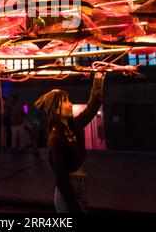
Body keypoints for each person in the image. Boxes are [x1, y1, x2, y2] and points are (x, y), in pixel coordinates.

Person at [34, 72, 106, 213]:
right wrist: (74, 205)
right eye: (66, 101)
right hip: (68, 193)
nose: (71, 104)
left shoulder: (74, 125)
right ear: (55, 109)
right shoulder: (55, 139)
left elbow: (91, 109)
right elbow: (61, 178)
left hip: (80, 184)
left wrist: (98, 79)